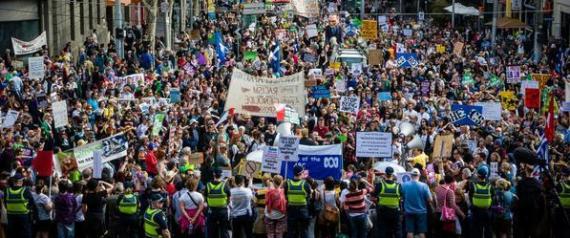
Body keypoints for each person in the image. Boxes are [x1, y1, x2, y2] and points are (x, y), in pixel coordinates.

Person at [401, 168, 434, 238]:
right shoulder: (424, 186)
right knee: (421, 232)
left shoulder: (404, 185)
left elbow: (401, 198)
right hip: (421, 212)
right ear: (419, 175)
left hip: (408, 211)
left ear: (410, 175)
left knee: (410, 232)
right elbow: (430, 199)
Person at [284, 164, 312, 238]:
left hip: (291, 211)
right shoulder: (305, 184)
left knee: (291, 231)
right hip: (303, 211)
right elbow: (310, 196)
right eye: (303, 172)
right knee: (304, 231)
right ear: (300, 173)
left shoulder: (287, 183)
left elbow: (285, 195)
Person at [5, 173, 35, 238]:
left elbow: (5, 203)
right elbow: (32, 203)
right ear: (20, 181)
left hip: (11, 217)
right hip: (23, 217)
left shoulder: (7, 191)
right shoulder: (25, 190)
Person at [375, 166, 403, 238]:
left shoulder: (380, 185)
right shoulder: (398, 186)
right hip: (395, 212)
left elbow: (374, 195)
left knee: (382, 231)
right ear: (392, 175)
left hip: (383, 212)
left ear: (385, 174)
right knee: (397, 231)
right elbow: (402, 197)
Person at [204, 168, 231, 238]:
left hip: (212, 211)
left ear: (214, 174)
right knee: (224, 231)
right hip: (222, 211)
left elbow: (205, 198)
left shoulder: (208, 185)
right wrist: (226, 204)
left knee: (211, 232)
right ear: (221, 175)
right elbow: (229, 198)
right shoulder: (224, 185)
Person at [468, 167, 493, 238]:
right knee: (488, 229)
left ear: (478, 175)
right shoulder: (489, 186)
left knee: (477, 230)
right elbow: (493, 197)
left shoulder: (473, 185)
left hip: (476, 211)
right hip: (487, 211)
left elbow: (470, 197)